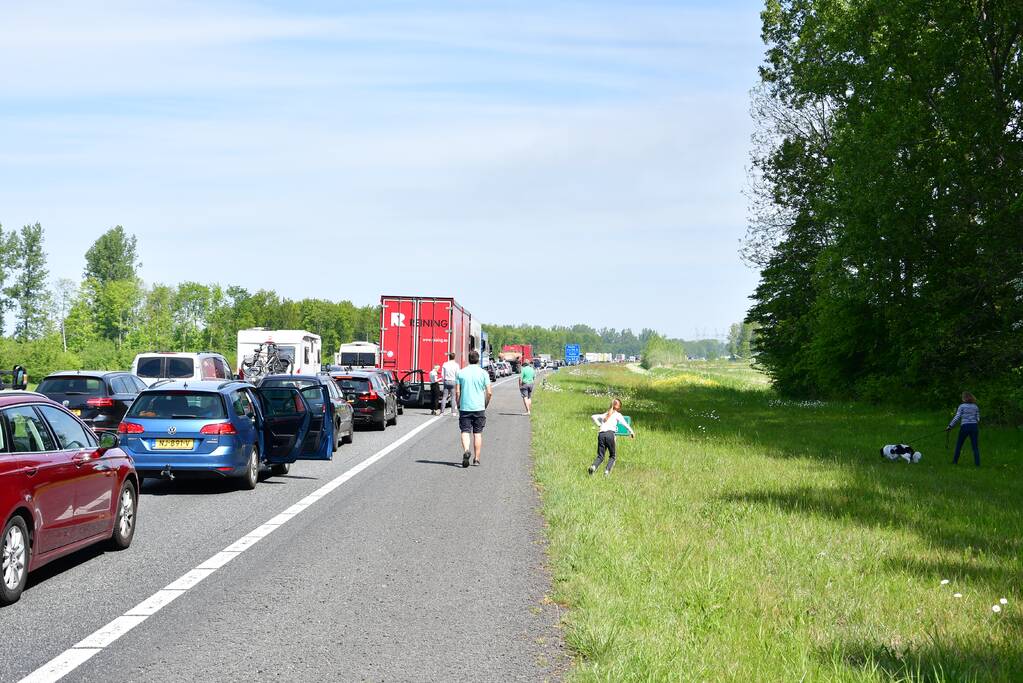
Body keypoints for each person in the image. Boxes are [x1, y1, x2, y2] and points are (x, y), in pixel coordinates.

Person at [455, 350, 492, 467]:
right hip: (479, 407)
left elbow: (457, 391)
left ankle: (466, 450)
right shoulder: (483, 373)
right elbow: (489, 392)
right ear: (478, 359)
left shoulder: (460, 373)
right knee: (478, 433)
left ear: (468, 359)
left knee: (465, 431)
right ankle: (476, 459)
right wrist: (485, 404)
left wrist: (458, 403)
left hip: (465, 406)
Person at [589, 398, 635, 476]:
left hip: (601, 434)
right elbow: (625, 424)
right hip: (610, 434)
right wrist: (631, 432)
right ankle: (607, 471)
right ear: (619, 407)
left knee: (600, 456)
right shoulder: (617, 414)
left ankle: (593, 466)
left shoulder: (606, 414)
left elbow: (593, 416)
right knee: (612, 456)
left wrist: (599, 425)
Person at [947, 391, 980, 466]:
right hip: (974, 427)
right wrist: (974, 422)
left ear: (964, 398)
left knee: (959, 445)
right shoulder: (975, 406)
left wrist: (950, 426)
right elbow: (978, 418)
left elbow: (957, 417)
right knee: (975, 446)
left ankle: (955, 462)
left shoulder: (962, 406)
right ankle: (977, 464)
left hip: (965, 426)